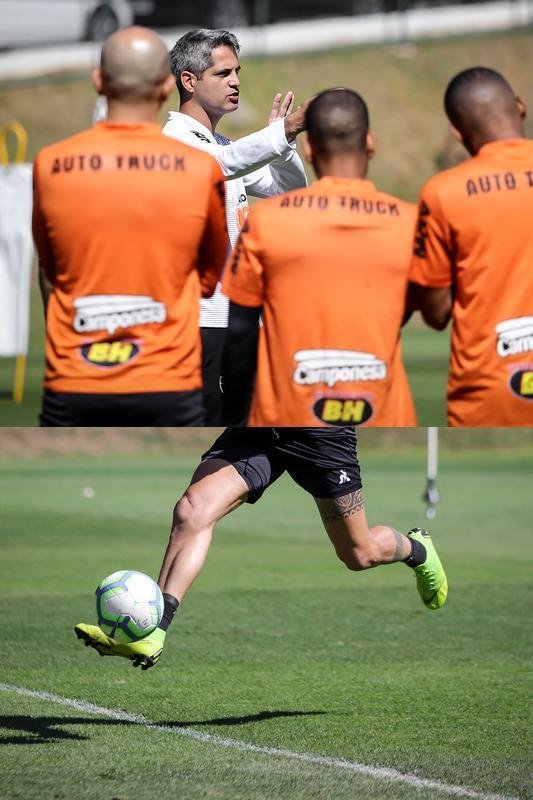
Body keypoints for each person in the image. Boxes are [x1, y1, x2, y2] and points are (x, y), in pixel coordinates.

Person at [75, 426, 448, 670]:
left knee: (359, 553)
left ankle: (417, 548)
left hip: (319, 432)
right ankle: (154, 631)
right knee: (192, 511)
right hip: (258, 425)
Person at [33, 27, 228, 427]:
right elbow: (210, 278)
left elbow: (51, 275)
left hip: (75, 378)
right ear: (164, 87)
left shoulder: (51, 164)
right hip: (169, 378)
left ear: (98, 82)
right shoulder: (200, 169)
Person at [221, 88, 418, 427]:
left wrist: (238, 399)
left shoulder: (266, 221)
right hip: (383, 410)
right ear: (370, 142)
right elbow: (435, 309)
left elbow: (240, 326)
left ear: (309, 150)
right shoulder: (410, 221)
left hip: (284, 412)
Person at [162, 29, 308, 424]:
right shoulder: (175, 140)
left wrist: (284, 146)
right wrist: (283, 132)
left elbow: (288, 192)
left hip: (240, 320)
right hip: (201, 321)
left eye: (237, 72)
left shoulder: (222, 144)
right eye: (223, 73)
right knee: (212, 428)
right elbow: (219, 166)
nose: (236, 81)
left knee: (252, 428)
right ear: (188, 81)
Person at [409, 66, 533, 426]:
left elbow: (436, 313)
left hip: (490, 391)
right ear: (520, 106)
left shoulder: (443, 192)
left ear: (457, 131)